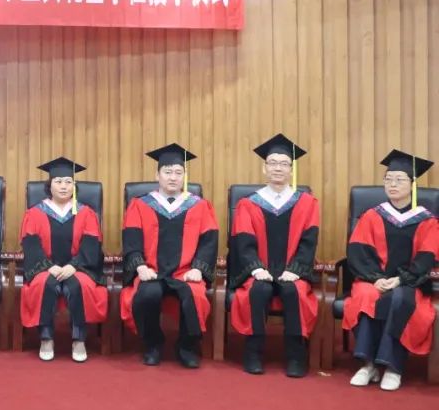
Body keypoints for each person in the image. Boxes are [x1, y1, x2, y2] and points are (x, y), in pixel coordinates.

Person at [343, 150, 437, 391]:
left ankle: (393, 367)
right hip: (373, 280)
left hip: (410, 283)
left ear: (412, 184)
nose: (393, 184)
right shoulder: (372, 216)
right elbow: (357, 252)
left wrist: (399, 280)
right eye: (388, 179)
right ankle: (368, 365)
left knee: (400, 299)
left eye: (399, 179)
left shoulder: (427, 220)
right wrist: (376, 278)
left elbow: (427, 257)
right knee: (366, 296)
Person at [228, 134, 319, 377]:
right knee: (258, 290)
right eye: (273, 163)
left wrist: (295, 270)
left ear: (291, 169)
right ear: (264, 168)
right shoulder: (248, 204)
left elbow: (309, 242)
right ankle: (253, 353)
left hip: (292, 271)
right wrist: (257, 268)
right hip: (259, 270)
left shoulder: (307, 203)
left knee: (293, 291)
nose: (278, 168)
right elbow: (243, 242)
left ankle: (296, 357)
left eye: (284, 163)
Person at [120, 143, 218, 368]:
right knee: (147, 294)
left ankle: (186, 346)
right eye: (167, 172)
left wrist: (198, 268)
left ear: (184, 176)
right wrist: (140, 266)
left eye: (178, 172)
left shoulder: (200, 206)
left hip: (186, 272)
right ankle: (152, 344)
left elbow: (209, 241)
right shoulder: (139, 205)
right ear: (157, 175)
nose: (173, 177)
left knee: (195, 296)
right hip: (151, 271)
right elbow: (131, 239)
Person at [19, 157, 107, 363]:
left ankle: (79, 339)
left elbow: (91, 245)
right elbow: (31, 245)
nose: (64, 186)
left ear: (74, 186)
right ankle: (46, 337)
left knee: (78, 285)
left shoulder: (86, 213)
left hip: (79, 268)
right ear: (49, 185)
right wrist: (48, 267)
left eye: (68, 182)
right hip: (44, 268)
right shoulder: (35, 213)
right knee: (45, 284)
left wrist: (73, 266)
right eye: (58, 182)